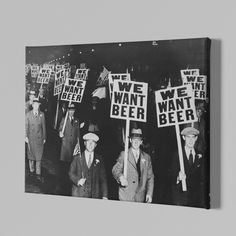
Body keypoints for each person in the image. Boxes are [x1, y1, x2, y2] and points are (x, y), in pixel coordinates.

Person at [112, 128, 154, 203]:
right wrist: (120, 177)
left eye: (138, 140)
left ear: (141, 142)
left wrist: (149, 193)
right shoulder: (124, 154)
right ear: (130, 140)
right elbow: (115, 170)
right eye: (134, 139)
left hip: (140, 197)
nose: (136, 142)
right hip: (126, 195)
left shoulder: (147, 157)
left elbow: (150, 177)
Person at [170, 127, 207, 208]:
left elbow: (202, 177)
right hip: (180, 197)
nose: (190, 140)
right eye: (188, 137)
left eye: (193, 137)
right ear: (183, 138)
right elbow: (170, 175)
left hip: (195, 198)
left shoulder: (200, 155)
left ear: (196, 138)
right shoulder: (177, 154)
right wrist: (177, 177)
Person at [69, 132, 108, 199]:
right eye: (88, 142)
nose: (90, 145)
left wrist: (105, 195)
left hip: (94, 195)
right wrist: (78, 181)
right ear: (85, 143)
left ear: (95, 145)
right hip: (78, 194)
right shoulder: (77, 157)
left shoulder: (99, 159)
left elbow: (103, 179)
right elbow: (70, 173)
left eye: (92, 142)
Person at [58, 103, 80, 195]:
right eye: (70, 110)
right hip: (65, 145)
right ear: (68, 111)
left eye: (73, 110)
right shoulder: (64, 119)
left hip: (73, 146)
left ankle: (70, 181)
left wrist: (78, 143)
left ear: (74, 111)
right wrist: (60, 133)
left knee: (72, 164)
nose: (71, 111)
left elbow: (78, 132)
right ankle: (63, 184)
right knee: (65, 165)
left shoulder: (77, 120)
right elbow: (59, 129)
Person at [25, 98, 46, 182]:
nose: (36, 106)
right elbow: (25, 126)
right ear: (32, 105)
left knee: (38, 157)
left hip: (39, 139)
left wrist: (44, 137)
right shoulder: (28, 114)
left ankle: (38, 174)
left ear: (38, 106)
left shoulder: (42, 114)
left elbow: (44, 127)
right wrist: (25, 136)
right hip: (30, 139)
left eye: (37, 105)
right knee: (31, 157)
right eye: (35, 105)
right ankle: (31, 171)